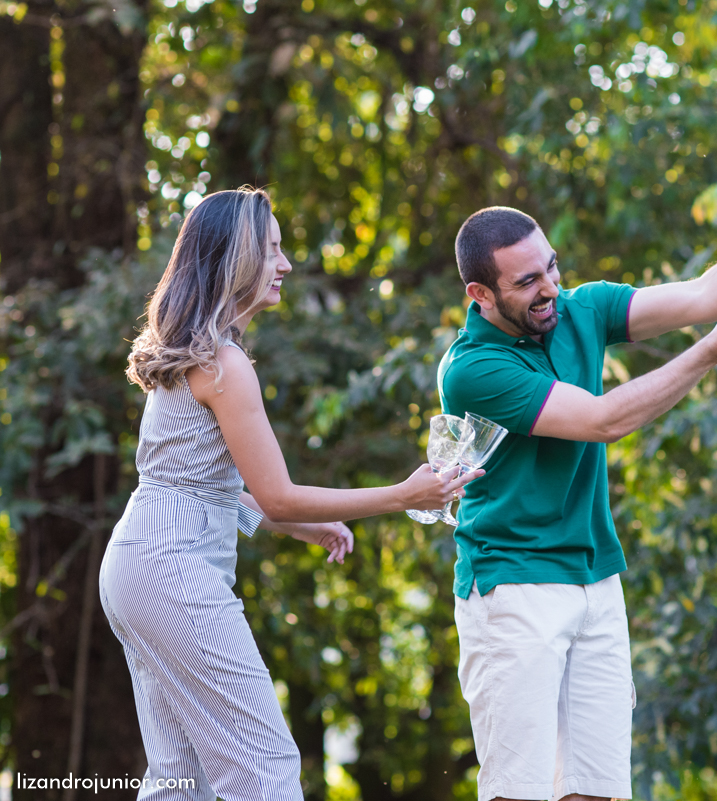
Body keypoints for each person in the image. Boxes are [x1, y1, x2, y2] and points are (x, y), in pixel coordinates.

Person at [438, 200, 717, 801]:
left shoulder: (582, 308)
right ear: (482, 294)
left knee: (596, 791)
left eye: (552, 267)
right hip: (514, 587)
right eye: (528, 282)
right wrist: (708, 352)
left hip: (597, 580)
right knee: (518, 792)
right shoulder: (474, 368)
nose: (551, 288)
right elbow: (601, 420)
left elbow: (703, 296)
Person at [99, 187, 482, 801]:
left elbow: (204, 489)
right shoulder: (223, 363)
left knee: (180, 776)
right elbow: (275, 495)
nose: (287, 265)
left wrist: (299, 525)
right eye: (273, 250)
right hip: (171, 571)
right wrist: (404, 494)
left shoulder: (193, 355)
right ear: (238, 259)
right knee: (263, 765)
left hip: (137, 565)